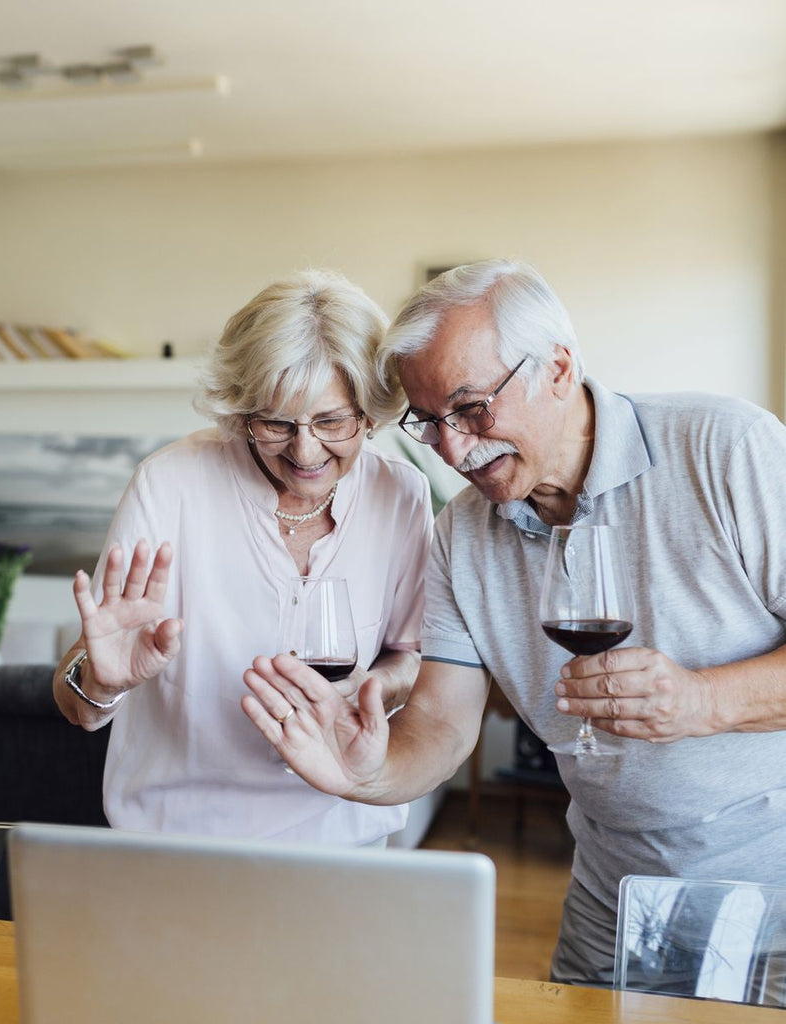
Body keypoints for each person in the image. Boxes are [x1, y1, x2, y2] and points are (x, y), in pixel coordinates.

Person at [242, 257, 786, 982]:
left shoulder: (727, 449)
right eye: (428, 423)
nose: (455, 450)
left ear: (558, 368)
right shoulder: (463, 535)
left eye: (471, 409)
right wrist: (363, 770)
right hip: (615, 895)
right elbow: (438, 723)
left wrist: (703, 701)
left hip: (773, 895)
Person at [53, 268, 433, 847]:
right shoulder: (168, 485)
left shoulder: (401, 494)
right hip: (177, 844)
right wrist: (100, 683)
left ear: (372, 413)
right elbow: (76, 702)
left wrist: (372, 687)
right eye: (277, 423)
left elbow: (411, 654)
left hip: (346, 838)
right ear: (241, 411)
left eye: (332, 421)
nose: (306, 451)